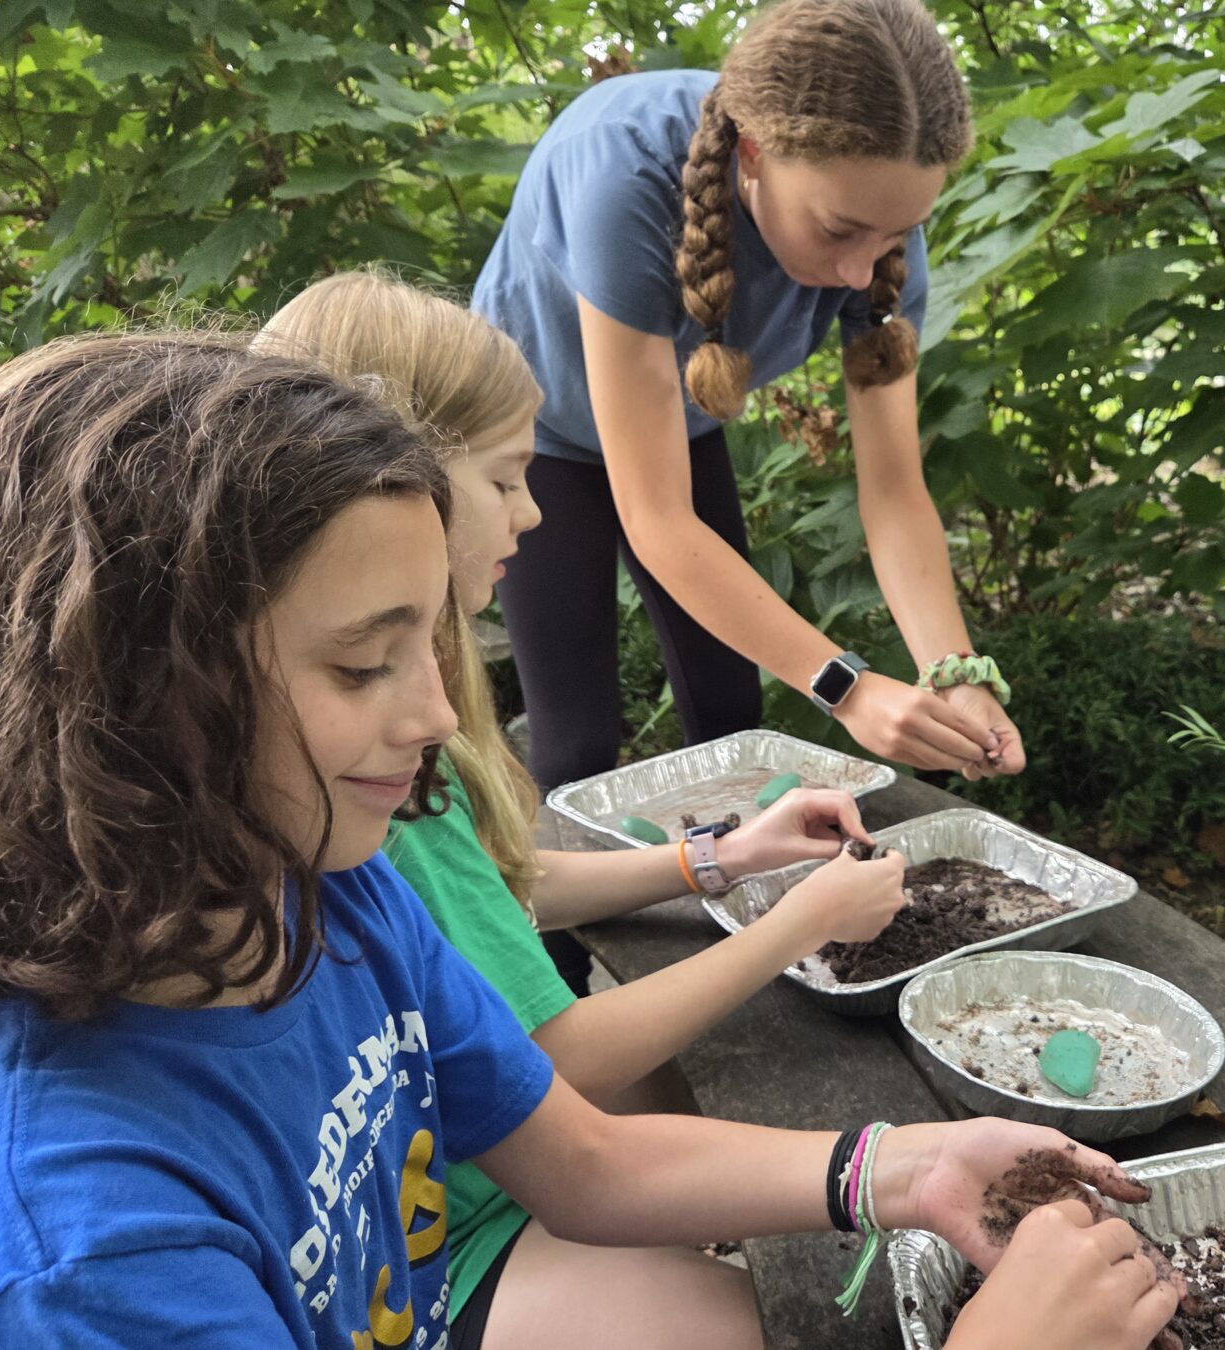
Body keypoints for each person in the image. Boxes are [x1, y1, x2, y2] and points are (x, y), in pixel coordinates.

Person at [0, 332, 1184, 1350]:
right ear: (119, 700)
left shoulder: (327, 893)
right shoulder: (84, 1252)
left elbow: (583, 1161)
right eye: (361, 664)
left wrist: (904, 1171)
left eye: (429, 651)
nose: (438, 715)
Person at [260, 269, 917, 1346]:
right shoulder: (367, 777)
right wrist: (798, 923)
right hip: (450, 1239)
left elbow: (500, 886)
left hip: (488, 1180)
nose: (534, 510)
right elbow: (557, 1059)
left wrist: (718, 859)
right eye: (510, 477)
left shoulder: (386, 741)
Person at [474, 0, 1025, 799]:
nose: (862, 274)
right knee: (576, 739)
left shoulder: (878, 220)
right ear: (756, 155)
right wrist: (849, 687)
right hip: (532, 433)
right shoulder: (625, 177)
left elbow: (896, 492)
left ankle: (735, 907)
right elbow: (657, 518)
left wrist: (955, 673)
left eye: (894, 236)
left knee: (731, 704)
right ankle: (539, 925)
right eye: (839, 232)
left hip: (681, 414)